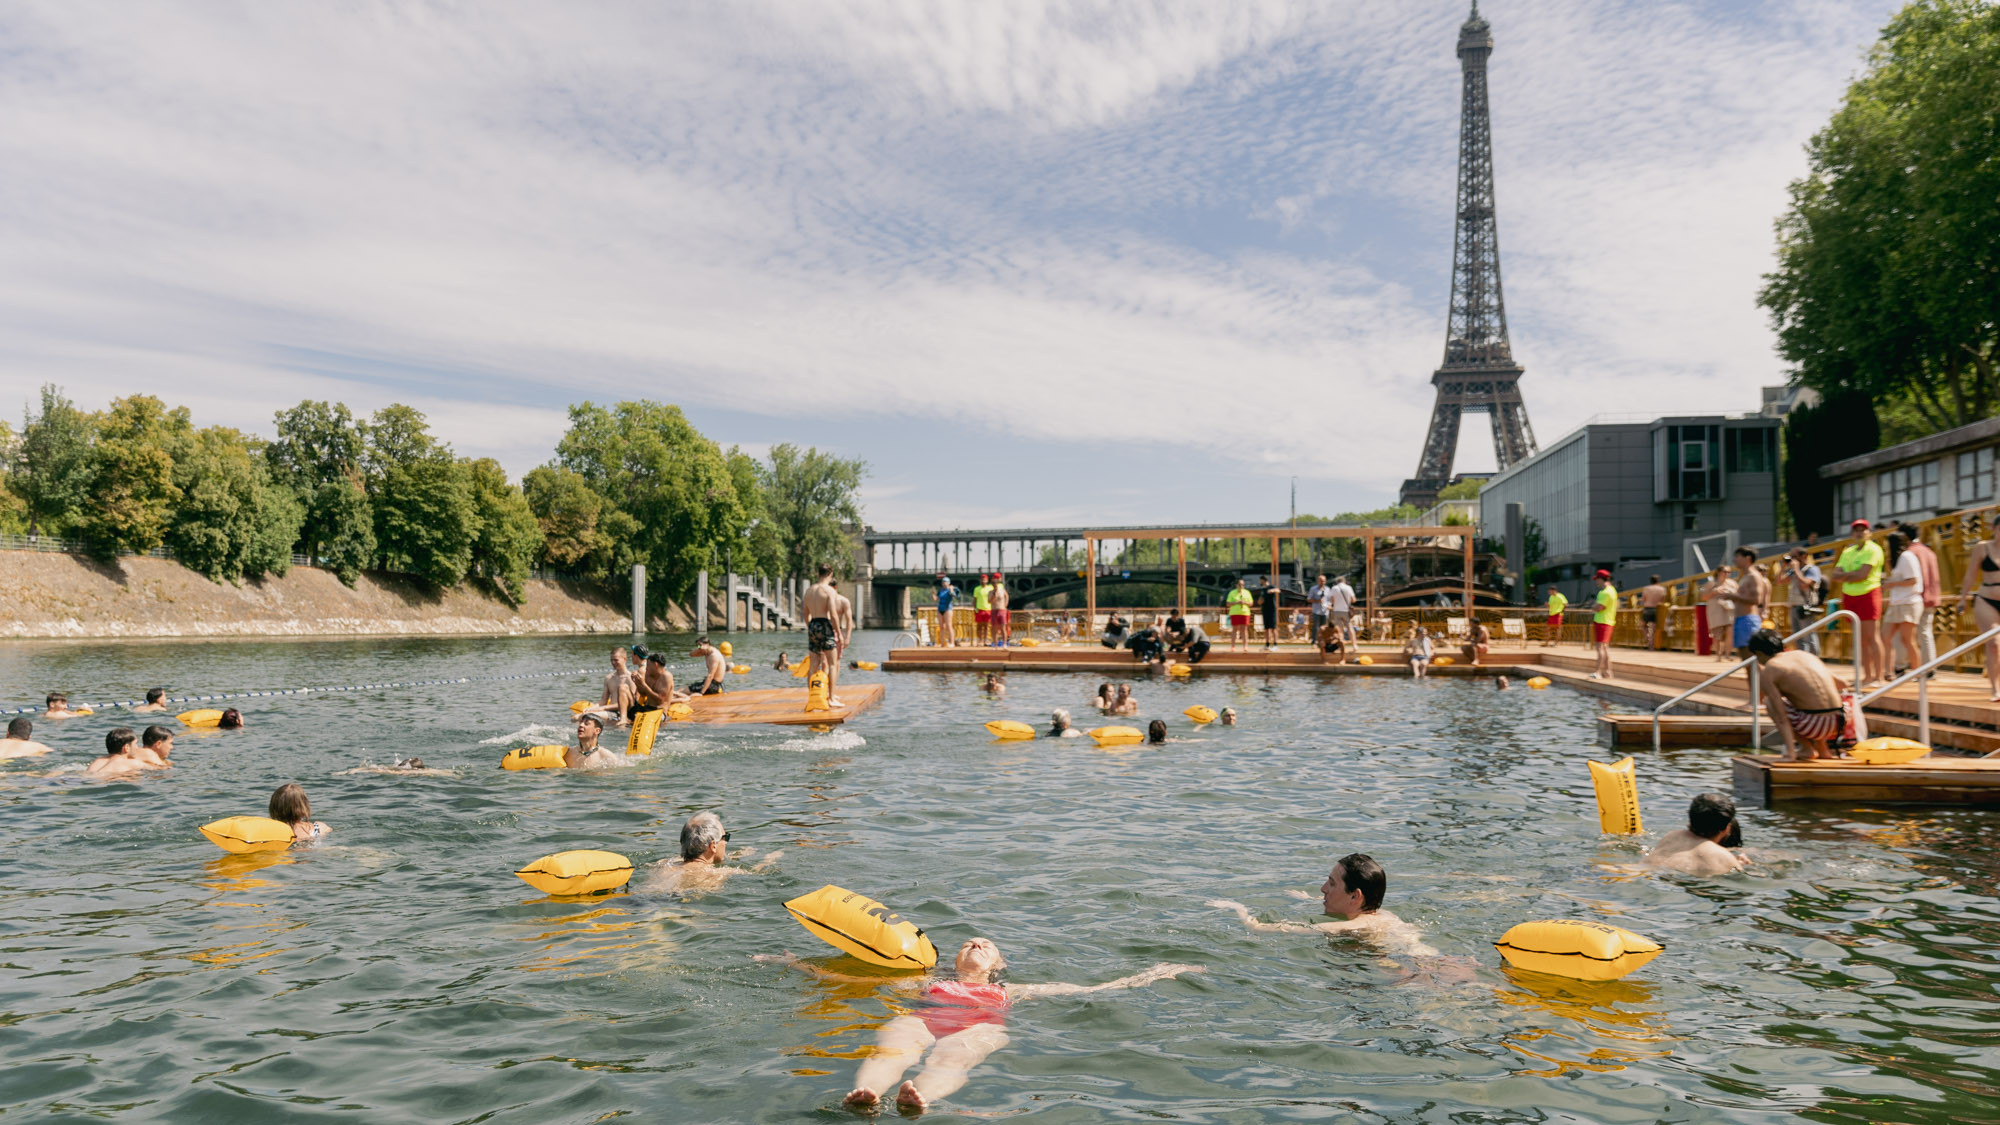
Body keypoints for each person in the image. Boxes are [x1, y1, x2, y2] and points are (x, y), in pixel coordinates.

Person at [764, 939, 1201, 1114]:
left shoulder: (1015, 991)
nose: (975, 944)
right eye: (968, 942)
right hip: (926, 1017)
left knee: (952, 1059)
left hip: (979, 1026)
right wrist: (795, 964)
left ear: (997, 965)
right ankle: (869, 1096)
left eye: (985, 945)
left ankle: (919, 1100)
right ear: (954, 961)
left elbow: (1097, 987)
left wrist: (1155, 974)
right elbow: (856, 979)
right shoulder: (927, 981)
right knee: (896, 1045)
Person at [1208, 853, 1436, 956]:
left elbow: (1258, 928)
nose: (1323, 889)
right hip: (1427, 958)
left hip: (1411, 972)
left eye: (1331, 883)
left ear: (1355, 896)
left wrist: (1238, 909)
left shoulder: (1348, 927)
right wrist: (1310, 900)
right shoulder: (1383, 916)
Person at [1745, 628, 1849, 761]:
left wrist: (1790, 752)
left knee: (1770, 703)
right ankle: (1823, 750)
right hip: (1841, 720)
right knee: (1807, 701)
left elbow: (1781, 716)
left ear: (1758, 653)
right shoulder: (1803, 655)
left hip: (1815, 725)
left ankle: (1802, 750)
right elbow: (1843, 683)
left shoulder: (1770, 668)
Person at [648, 811, 780, 894]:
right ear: (713, 846)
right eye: (725, 837)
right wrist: (768, 860)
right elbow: (756, 873)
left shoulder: (664, 864)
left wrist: (736, 855)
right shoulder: (719, 872)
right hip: (679, 908)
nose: (727, 843)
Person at [1829, 519, 1887, 688]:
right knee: (1860, 639)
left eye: (1863, 530)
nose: (1859, 533)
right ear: (1852, 533)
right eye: (1856, 530)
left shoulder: (1874, 549)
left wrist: (1845, 575)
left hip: (1868, 593)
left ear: (1869, 532)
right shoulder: (1848, 551)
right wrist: (1850, 575)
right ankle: (1867, 676)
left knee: (1872, 637)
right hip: (1850, 595)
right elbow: (1835, 574)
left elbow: (1863, 574)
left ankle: (1879, 676)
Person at [1643, 793, 1747, 876]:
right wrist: (1741, 865)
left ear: (1690, 820)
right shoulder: (1723, 857)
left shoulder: (1671, 836)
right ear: (1727, 829)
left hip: (1642, 873)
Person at [1955, 520, 2000, 701]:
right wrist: (1962, 599)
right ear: (1994, 528)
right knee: (1994, 643)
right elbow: (1971, 574)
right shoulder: (1983, 547)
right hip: (1986, 598)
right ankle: (1995, 689)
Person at [1897, 522, 1942, 669]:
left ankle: (1903, 666)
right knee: (1925, 633)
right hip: (1931, 597)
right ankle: (1930, 668)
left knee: (1906, 636)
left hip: (1914, 598)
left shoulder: (1909, 553)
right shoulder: (1929, 551)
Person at [1881, 531, 1923, 677]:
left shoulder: (1907, 557)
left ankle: (1918, 673)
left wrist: (1892, 584)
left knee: (1908, 639)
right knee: (1885, 637)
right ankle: (1888, 671)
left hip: (1909, 602)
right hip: (1896, 603)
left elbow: (1913, 580)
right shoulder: (1898, 559)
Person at [802, 563, 843, 687]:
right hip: (825, 624)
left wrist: (810, 627)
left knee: (813, 663)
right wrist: (839, 634)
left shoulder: (809, 590)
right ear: (830, 574)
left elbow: (805, 614)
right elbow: (833, 614)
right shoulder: (830, 590)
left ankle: (811, 696)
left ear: (818, 574)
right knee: (832, 663)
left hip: (813, 624)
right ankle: (831, 697)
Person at [1725, 548, 1769, 658]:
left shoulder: (1754, 576)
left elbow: (1757, 600)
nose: (1734, 560)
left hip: (1748, 620)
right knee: (1745, 658)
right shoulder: (1745, 576)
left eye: (1737, 557)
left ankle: (1758, 676)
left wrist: (1734, 596)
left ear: (1748, 558)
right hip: (1741, 620)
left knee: (1750, 658)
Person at [1782, 548, 1825, 656]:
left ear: (1804, 556)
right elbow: (1779, 581)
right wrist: (1783, 567)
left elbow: (1804, 584)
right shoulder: (1793, 570)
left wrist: (1796, 570)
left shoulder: (1812, 569)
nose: (1792, 560)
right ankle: (1803, 660)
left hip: (1805, 607)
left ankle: (1815, 660)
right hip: (1794, 607)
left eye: (1794, 557)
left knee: (1809, 636)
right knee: (1798, 637)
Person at [1700, 566, 1736, 661]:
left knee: (1730, 632)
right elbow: (1703, 597)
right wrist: (1714, 592)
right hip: (1715, 611)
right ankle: (1718, 655)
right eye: (1725, 571)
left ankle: (1728, 654)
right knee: (1717, 635)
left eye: (1729, 572)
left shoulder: (1733, 583)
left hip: (1728, 610)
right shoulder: (1710, 584)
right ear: (1719, 572)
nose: (1727, 573)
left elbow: (1738, 595)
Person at [85, 728, 150, 779]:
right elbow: (156, 769)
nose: (137, 747)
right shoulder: (132, 762)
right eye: (136, 744)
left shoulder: (99, 760)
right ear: (127, 747)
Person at [599, 646, 635, 726]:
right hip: (610, 712)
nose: (613, 662)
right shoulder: (608, 678)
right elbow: (603, 700)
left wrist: (604, 708)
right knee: (577, 717)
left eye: (616, 660)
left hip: (622, 712)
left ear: (624, 659)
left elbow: (631, 703)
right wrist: (591, 709)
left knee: (587, 716)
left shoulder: (630, 678)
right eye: (611, 660)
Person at [1328, 574, 1357, 661]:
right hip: (1346, 611)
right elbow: (1353, 600)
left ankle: (1342, 646)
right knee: (1349, 628)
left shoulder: (1334, 588)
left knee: (1340, 630)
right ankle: (1354, 645)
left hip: (1337, 611)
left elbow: (1331, 601)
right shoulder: (1349, 588)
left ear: (1337, 582)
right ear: (1344, 581)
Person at [1225, 578, 1253, 652]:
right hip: (1234, 613)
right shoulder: (1232, 593)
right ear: (1237, 585)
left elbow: (1251, 603)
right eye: (1240, 584)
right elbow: (1228, 604)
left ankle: (1245, 646)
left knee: (1244, 630)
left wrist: (1245, 603)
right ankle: (1233, 646)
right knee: (1235, 629)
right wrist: (1237, 602)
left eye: (1243, 585)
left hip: (1245, 613)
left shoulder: (1247, 592)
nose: (1241, 586)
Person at [1639, 576, 1667, 650]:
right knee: (1654, 628)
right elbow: (1663, 599)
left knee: (1643, 625)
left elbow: (1643, 600)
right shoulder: (1662, 589)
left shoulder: (1646, 588)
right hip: (1657, 609)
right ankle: (1653, 642)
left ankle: (1648, 640)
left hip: (1648, 608)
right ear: (1658, 581)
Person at [1309, 574, 1332, 652]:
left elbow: (1329, 600)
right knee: (1316, 627)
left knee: (1324, 628)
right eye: (1321, 581)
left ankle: (1323, 641)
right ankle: (1314, 641)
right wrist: (1317, 601)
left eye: (1324, 581)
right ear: (1318, 581)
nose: (1322, 582)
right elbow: (1309, 599)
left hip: (1325, 611)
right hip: (1317, 611)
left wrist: (1329, 605)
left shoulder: (1328, 589)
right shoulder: (1313, 589)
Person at [989, 574, 1011, 647]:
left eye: (996, 584)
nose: (995, 585)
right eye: (993, 584)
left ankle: (1004, 643)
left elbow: (1007, 596)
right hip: (994, 610)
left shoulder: (1002, 590)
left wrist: (1006, 604)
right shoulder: (990, 592)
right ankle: (995, 644)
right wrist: (993, 595)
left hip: (1001, 610)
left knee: (1003, 628)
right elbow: (989, 601)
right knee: (994, 629)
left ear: (997, 584)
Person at [934, 576, 956, 647]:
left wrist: (951, 589)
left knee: (949, 626)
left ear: (948, 583)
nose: (944, 583)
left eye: (945, 582)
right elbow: (936, 599)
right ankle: (942, 643)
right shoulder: (940, 591)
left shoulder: (950, 590)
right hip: (940, 609)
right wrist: (933, 593)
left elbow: (953, 595)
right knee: (941, 626)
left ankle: (952, 642)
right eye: (943, 582)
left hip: (947, 609)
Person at [1258, 580, 1280, 651]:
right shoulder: (1262, 590)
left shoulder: (1271, 586)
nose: (1259, 582)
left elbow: (1278, 590)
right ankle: (1267, 645)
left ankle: (1275, 645)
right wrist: (1260, 601)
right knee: (1266, 628)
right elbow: (1260, 601)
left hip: (1272, 610)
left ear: (1263, 580)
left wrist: (1272, 590)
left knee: (1273, 628)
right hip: (1265, 610)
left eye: (1260, 580)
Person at [972, 573, 992, 647]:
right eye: (982, 579)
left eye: (985, 579)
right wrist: (974, 608)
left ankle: (985, 640)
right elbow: (975, 599)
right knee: (979, 626)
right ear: (980, 580)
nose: (983, 580)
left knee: (986, 626)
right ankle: (979, 640)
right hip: (979, 609)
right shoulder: (977, 589)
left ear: (987, 580)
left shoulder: (990, 588)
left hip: (988, 609)